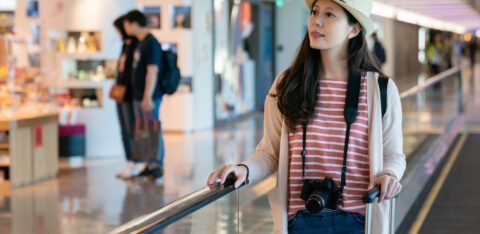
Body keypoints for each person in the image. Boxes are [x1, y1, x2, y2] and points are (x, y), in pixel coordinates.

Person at [207, 0, 406, 233]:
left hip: (358, 220)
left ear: (353, 30)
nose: (317, 21)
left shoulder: (379, 89)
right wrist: (245, 169)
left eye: (330, 14)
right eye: (314, 12)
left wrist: (389, 174)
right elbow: (270, 152)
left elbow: (394, 155)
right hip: (300, 221)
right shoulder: (287, 84)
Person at [123, 10, 165, 181]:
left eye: (126, 24)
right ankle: (148, 164)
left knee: (152, 127)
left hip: (148, 95)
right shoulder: (140, 42)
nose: (125, 28)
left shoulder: (151, 43)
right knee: (144, 129)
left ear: (133, 23)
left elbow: (152, 70)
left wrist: (147, 96)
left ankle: (156, 164)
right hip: (139, 95)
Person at [113, 15, 138, 179]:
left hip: (130, 93)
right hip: (120, 92)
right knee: (123, 129)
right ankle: (129, 160)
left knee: (132, 128)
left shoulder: (136, 44)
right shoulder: (125, 45)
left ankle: (136, 161)